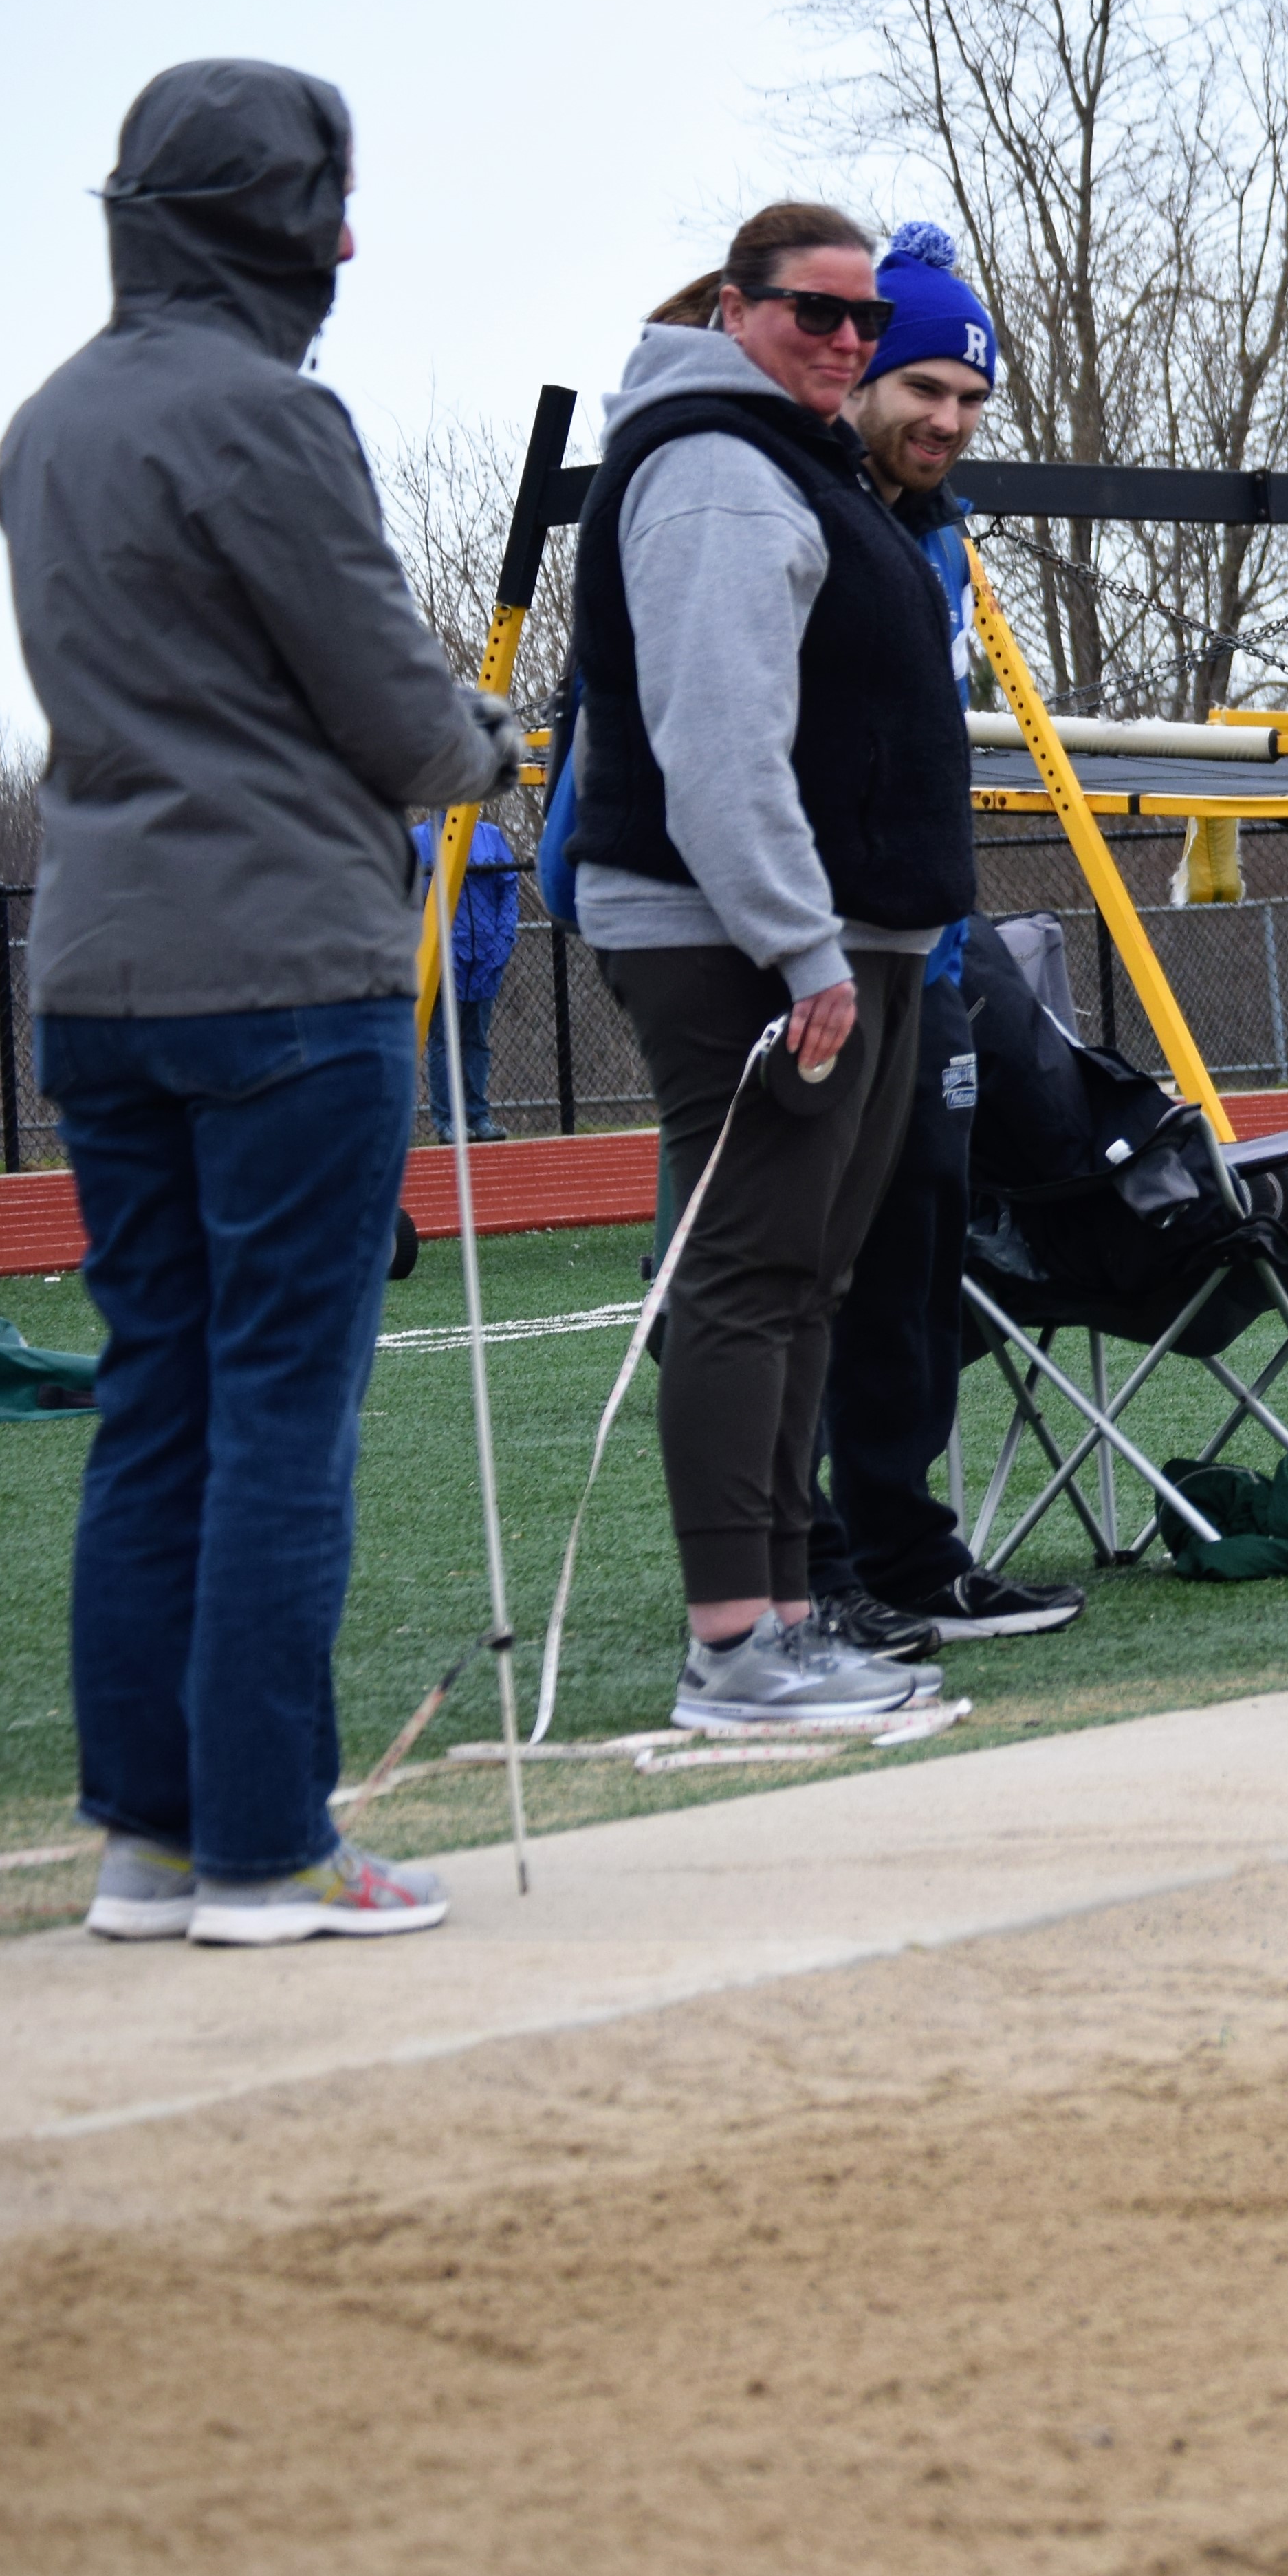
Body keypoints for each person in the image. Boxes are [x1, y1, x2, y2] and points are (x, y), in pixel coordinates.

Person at [0, 61, 521, 1940]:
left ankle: (148, 1843)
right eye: (329, 206)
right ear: (270, 222)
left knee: (160, 1400)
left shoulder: (47, 423)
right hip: (287, 971)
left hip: (98, 969)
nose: (353, 241)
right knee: (284, 1411)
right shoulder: (275, 422)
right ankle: (271, 1847)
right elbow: (395, 720)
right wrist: (491, 738)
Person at [567, 202, 978, 1726]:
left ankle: (791, 1616)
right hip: (745, 944)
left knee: (811, 1277)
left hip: (847, 941)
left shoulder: (798, 465)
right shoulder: (717, 474)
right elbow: (719, 740)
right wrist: (802, 946)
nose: (852, 343)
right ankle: (734, 1640)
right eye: (819, 314)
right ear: (738, 308)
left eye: (868, 323)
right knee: (751, 1280)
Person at [805, 224, 1084, 1658]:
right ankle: (793, 1571)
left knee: (921, 1249)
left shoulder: (938, 529)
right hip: (801, 954)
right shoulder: (785, 504)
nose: (949, 419)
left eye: (972, 399)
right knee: (802, 1265)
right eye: (925, 385)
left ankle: (907, 1550)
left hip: (923, 949)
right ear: (854, 370)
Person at [410, 811, 519, 1140]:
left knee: (476, 1040)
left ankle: (477, 1116)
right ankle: (447, 1121)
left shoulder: (490, 836)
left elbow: (508, 889)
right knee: (444, 1042)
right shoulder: (419, 840)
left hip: (484, 956)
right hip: (442, 957)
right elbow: (409, 897)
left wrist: (501, 942)